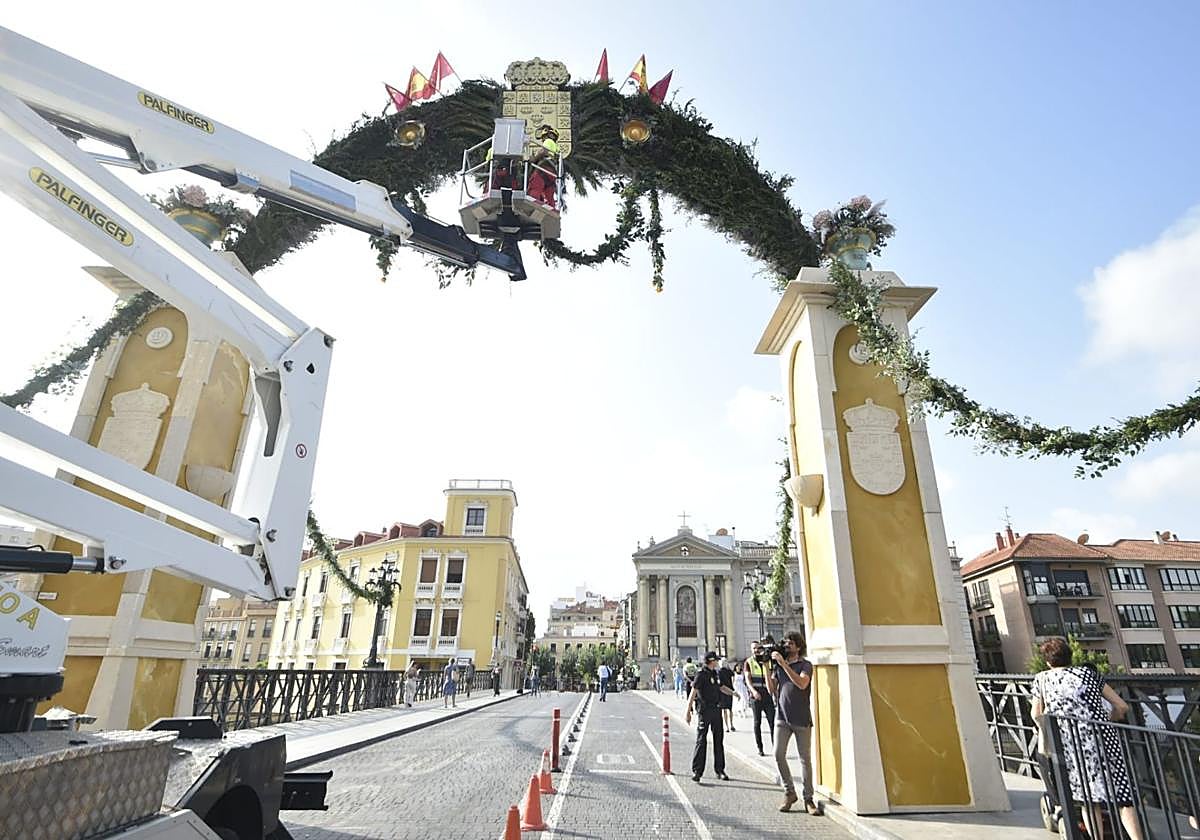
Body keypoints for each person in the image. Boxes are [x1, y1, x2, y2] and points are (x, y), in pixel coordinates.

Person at [1032, 637, 1144, 840]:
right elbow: (1122, 706)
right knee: (1124, 799)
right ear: (1070, 656)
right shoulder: (1090, 674)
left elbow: (1036, 714)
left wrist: (1047, 730)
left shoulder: (1042, 679)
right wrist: (1106, 721)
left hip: (1071, 745)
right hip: (1105, 741)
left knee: (1088, 801)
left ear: (1048, 661)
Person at [765, 632, 817, 815]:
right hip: (782, 718)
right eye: (785, 642)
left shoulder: (805, 665)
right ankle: (789, 792)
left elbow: (802, 683)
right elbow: (771, 689)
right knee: (778, 754)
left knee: (805, 760)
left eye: (790, 642)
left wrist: (783, 664)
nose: (786, 645)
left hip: (802, 718)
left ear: (798, 646)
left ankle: (809, 799)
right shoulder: (779, 666)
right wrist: (767, 666)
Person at [685, 651, 735, 782]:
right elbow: (693, 691)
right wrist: (688, 710)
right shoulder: (701, 675)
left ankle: (720, 770)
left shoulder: (715, 674)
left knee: (718, 740)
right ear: (711, 661)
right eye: (716, 660)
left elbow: (721, 687)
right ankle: (697, 771)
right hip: (704, 711)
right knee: (701, 740)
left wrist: (733, 693)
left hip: (716, 709)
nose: (718, 662)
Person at [744, 640, 776, 756]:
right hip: (756, 696)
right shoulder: (749, 662)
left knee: (772, 722)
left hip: (767, 695)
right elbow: (748, 680)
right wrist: (753, 691)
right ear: (751, 650)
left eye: (758, 648)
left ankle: (775, 747)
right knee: (757, 722)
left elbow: (773, 678)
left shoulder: (768, 661)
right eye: (754, 648)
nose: (756, 650)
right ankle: (760, 748)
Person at [526, 124, 560, 209]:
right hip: (551, 172)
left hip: (543, 168)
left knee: (535, 187)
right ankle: (551, 209)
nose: (542, 139)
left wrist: (533, 159)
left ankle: (532, 205)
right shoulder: (556, 147)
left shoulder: (548, 141)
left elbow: (544, 152)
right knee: (549, 194)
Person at [718, 658, 736, 731]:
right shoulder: (729, 671)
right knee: (729, 709)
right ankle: (731, 725)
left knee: (725, 709)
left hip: (723, 691)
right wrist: (732, 686)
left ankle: (727, 726)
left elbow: (719, 682)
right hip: (729, 690)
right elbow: (733, 678)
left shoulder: (719, 672)